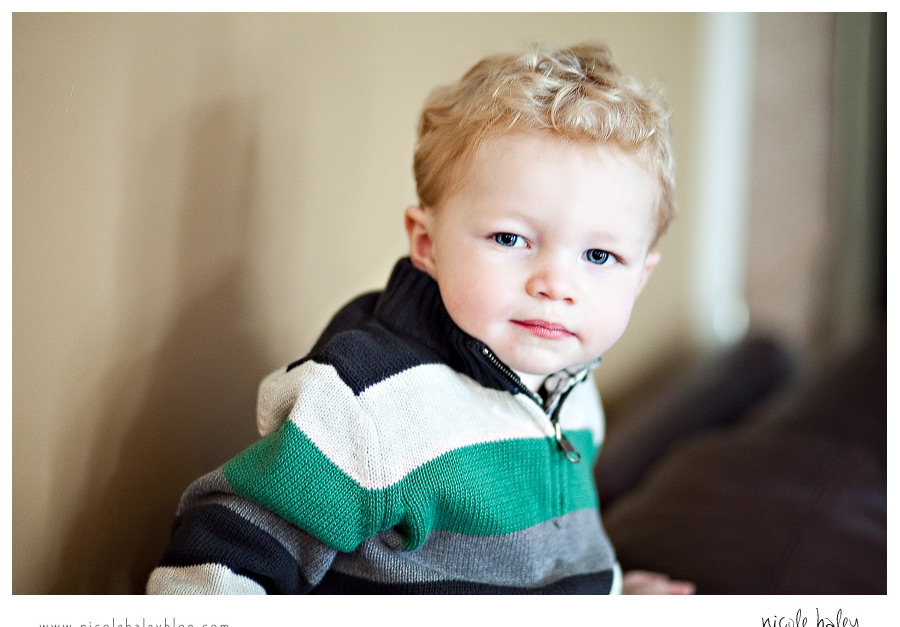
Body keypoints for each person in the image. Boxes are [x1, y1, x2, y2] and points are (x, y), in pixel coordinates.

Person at [147, 42, 693, 595]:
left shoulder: (568, 379)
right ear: (427, 243)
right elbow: (219, 563)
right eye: (511, 238)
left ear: (640, 276)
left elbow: (529, 560)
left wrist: (610, 595)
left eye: (599, 257)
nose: (555, 284)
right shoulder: (371, 406)